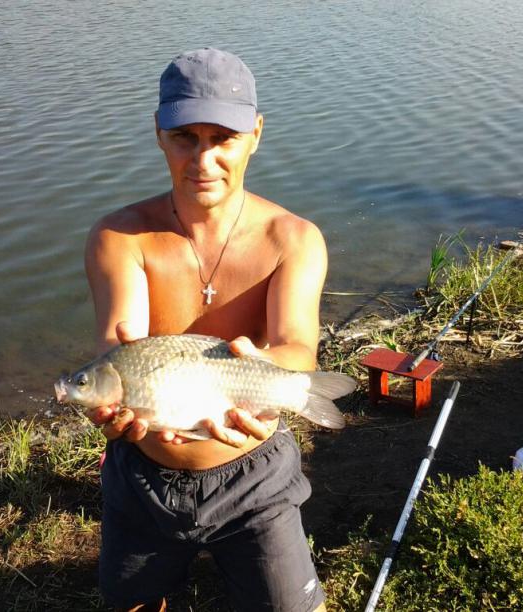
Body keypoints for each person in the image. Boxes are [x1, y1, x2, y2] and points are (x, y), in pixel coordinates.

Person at [85, 48, 330, 612]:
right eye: (184, 138)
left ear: (256, 134)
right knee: (129, 604)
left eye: (223, 138)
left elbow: (298, 348)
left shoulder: (293, 239)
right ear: (158, 133)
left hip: (255, 474)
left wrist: (269, 369)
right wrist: (114, 410)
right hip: (144, 473)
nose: (203, 159)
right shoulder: (119, 236)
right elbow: (118, 348)